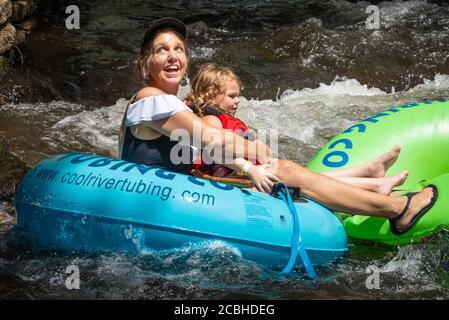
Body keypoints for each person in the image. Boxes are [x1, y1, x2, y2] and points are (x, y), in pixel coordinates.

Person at [118, 17, 438, 236]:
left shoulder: (170, 105)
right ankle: (396, 207)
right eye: (162, 50)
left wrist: (248, 166)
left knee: (277, 172)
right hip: (163, 202)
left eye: (179, 50)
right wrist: (254, 150)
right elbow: (207, 137)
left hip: (179, 195)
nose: (173, 56)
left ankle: (371, 188)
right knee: (283, 168)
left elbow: (205, 146)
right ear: (146, 64)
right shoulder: (150, 100)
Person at [187, 63, 408, 196]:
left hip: (248, 174)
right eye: (232, 96)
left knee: (308, 176)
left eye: (238, 95)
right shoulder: (211, 118)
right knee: (306, 181)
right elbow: (214, 150)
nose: (238, 101)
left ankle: (370, 171)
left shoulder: (216, 115)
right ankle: (374, 183)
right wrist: (249, 169)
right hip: (240, 179)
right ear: (209, 95)